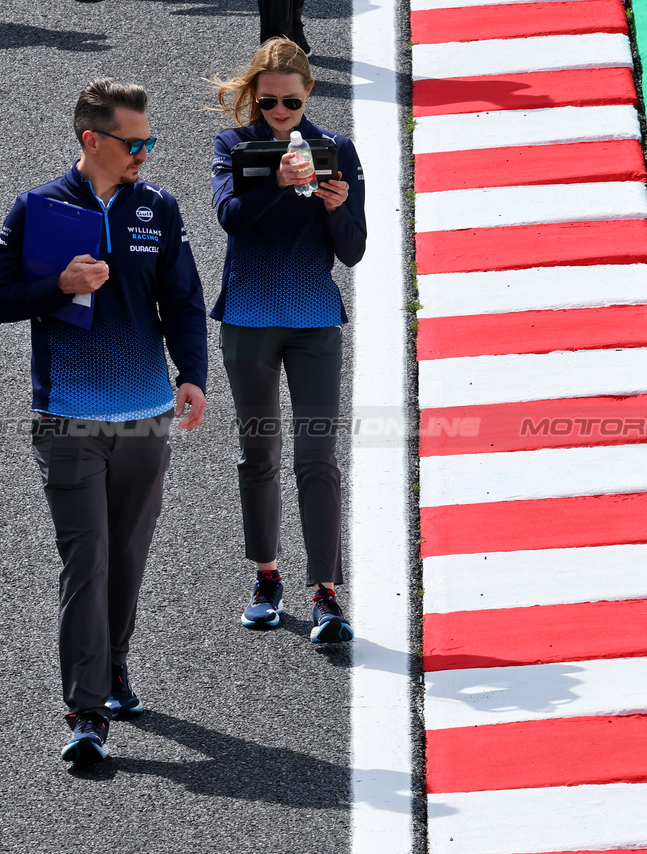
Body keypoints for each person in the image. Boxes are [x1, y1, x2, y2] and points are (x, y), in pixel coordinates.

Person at [0, 78, 208, 763]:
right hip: (68, 420)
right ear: (93, 139)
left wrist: (192, 374)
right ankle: (86, 714)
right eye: (134, 142)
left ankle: (114, 666)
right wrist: (59, 286)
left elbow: (185, 302)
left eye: (149, 141)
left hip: (146, 420)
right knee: (87, 559)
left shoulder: (159, 210)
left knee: (127, 558)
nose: (145, 152)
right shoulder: (38, 209)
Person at [209, 38, 365, 642]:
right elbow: (230, 218)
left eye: (291, 101)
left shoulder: (338, 150)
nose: (280, 111)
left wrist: (335, 207)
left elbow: (352, 249)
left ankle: (326, 591)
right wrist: (275, 180)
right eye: (268, 100)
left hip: (315, 321)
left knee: (317, 455)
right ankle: (267, 577)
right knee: (259, 451)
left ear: (309, 95)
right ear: (254, 96)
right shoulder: (233, 145)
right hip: (248, 319)